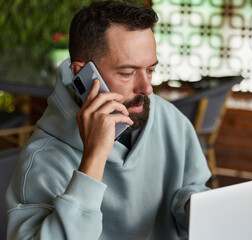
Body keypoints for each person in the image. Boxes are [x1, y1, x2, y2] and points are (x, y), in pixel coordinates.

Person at [6, 1, 211, 239]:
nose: (147, 88)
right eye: (127, 73)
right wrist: (93, 160)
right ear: (80, 73)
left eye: (150, 70)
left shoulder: (169, 119)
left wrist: (189, 206)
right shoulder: (42, 159)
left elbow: (190, 186)